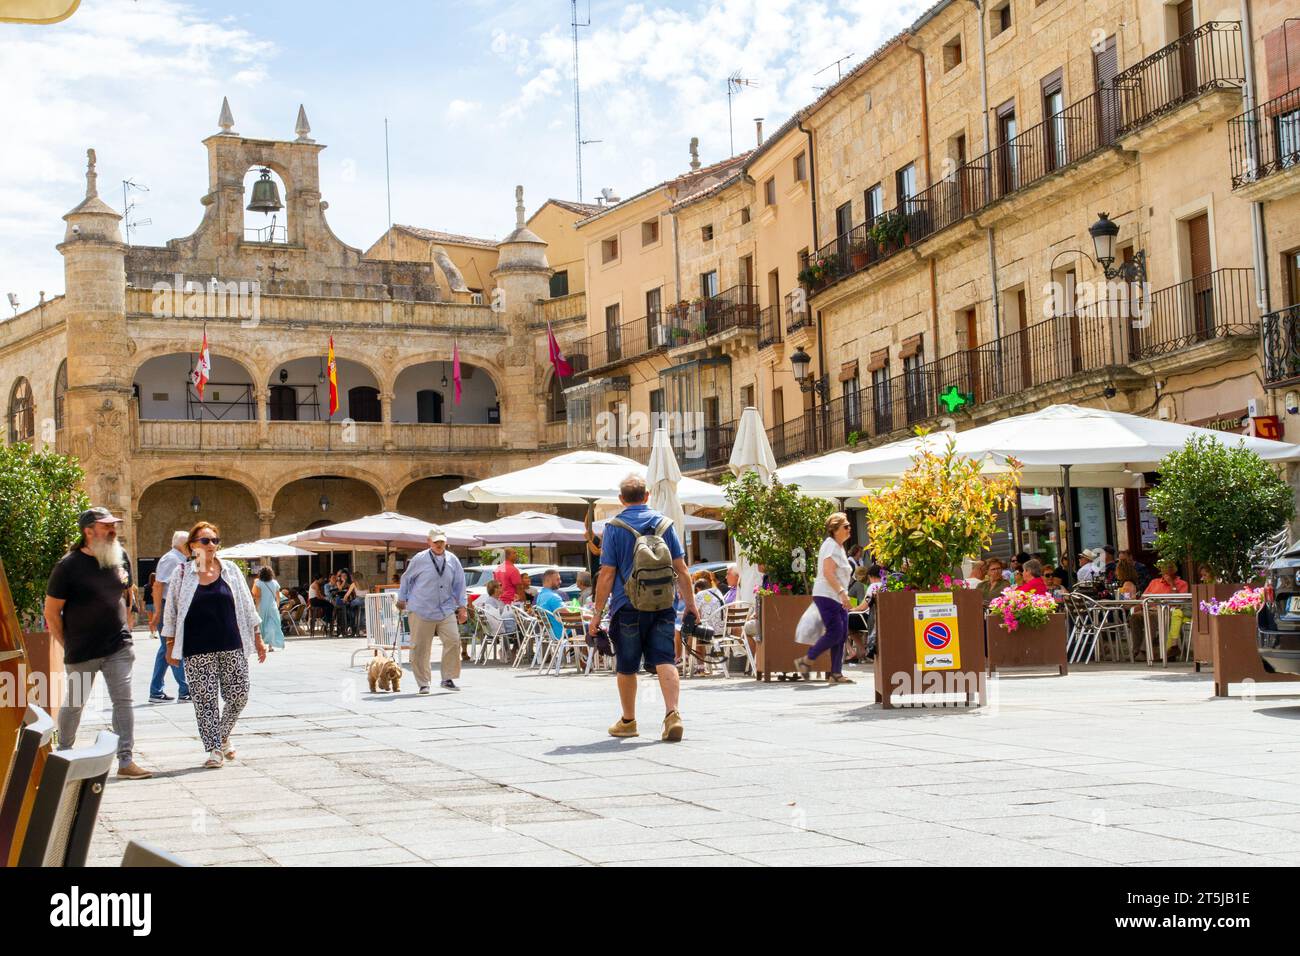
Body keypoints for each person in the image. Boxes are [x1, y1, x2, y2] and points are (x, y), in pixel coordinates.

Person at [44, 508, 153, 780]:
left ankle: (126, 760)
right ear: (88, 531)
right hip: (82, 650)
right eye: (106, 526)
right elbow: (51, 611)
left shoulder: (120, 557)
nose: (113, 529)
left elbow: (128, 595)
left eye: (113, 524)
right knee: (75, 703)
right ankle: (64, 752)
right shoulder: (67, 567)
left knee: (123, 702)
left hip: (118, 647)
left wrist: (127, 627)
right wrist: (66, 642)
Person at [590, 475, 697, 741]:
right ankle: (672, 714)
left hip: (628, 606)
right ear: (647, 496)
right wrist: (691, 606)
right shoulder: (665, 524)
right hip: (663, 604)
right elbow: (682, 570)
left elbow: (606, 574)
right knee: (665, 658)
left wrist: (597, 613)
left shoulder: (614, 528)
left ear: (621, 499)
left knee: (627, 665)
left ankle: (629, 721)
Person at [162, 522, 266, 769]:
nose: (211, 546)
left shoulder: (229, 570)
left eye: (215, 541)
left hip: (232, 643)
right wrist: (169, 643)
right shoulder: (182, 573)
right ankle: (215, 750)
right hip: (197, 647)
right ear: (192, 546)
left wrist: (258, 637)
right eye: (205, 541)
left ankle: (222, 735)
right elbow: (172, 610)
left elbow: (247, 605)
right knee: (205, 700)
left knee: (239, 694)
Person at [397, 528, 468, 693]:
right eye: (435, 541)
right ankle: (423, 683)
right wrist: (402, 598)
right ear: (428, 541)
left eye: (441, 541)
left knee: (453, 640)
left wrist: (462, 607)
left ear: (446, 541)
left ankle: (448, 678)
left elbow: (459, 584)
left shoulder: (453, 560)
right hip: (422, 608)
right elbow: (406, 578)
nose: (439, 544)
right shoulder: (420, 559)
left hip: (446, 608)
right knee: (421, 648)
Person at [793, 512, 855, 685]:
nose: (849, 529)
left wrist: (842, 594)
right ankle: (806, 660)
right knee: (835, 632)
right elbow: (828, 572)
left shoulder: (839, 547)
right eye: (846, 526)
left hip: (837, 595)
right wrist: (842, 593)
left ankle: (836, 673)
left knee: (841, 635)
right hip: (828, 595)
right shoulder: (831, 546)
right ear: (835, 529)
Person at [146, 530, 193, 703]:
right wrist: (158, 611)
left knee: (165, 649)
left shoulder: (179, 560)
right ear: (182, 545)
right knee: (172, 647)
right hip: (168, 608)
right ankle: (185, 690)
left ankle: (156, 691)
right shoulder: (171, 559)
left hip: (171, 608)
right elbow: (158, 586)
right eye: (190, 543)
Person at [1144, 560, 1190, 661]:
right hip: (1150, 609)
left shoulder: (1182, 583)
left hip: (1168, 611)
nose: (1166, 571)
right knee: (1135, 618)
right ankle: (1137, 651)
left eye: (1169, 568)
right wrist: (1136, 607)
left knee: (1152, 618)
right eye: (1163, 568)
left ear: (1174, 570)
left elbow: (1180, 601)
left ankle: (1146, 652)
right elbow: (1144, 597)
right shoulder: (1154, 582)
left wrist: (1172, 584)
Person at [253, 566, 286, 652]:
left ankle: (263, 643)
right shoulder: (275, 583)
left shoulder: (258, 583)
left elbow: (257, 597)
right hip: (273, 607)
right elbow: (278, 597)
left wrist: (256, 608)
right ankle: (270, 646)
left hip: (262, 607)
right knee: (273, 625)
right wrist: (277, 606)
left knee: (262, 625)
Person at [535, 568, 566, 639]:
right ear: (548, 581)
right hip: (563, 632)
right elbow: (569, 616)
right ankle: (583, 650)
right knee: (590, 628)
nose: (560, 581)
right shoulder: (553, 597)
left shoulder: (540, 595)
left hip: (551, 632)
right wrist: (587, 616)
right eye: (557, 579)